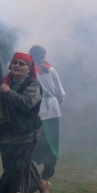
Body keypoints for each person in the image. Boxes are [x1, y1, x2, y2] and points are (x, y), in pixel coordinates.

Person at [0, 52, 51, 193]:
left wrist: (9, 93)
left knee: (17, 166)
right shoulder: (3, 82)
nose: (17, 65)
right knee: (14, 165)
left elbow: (27, 103)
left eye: (21, 63)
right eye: (15, 62)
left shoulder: (33, 85)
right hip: (7, 132)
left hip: (27, 132)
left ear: (28, 68)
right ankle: (42, 184)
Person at [29, 45, 66, 181]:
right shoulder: (51, 70)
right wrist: (56, 102)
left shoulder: (30, 71)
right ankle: (50, 162)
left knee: (41, 138)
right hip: (53, 109)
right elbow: (60, 93)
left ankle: (48, 164)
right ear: (43, 56)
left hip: (39, 109)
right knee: (52, 138)